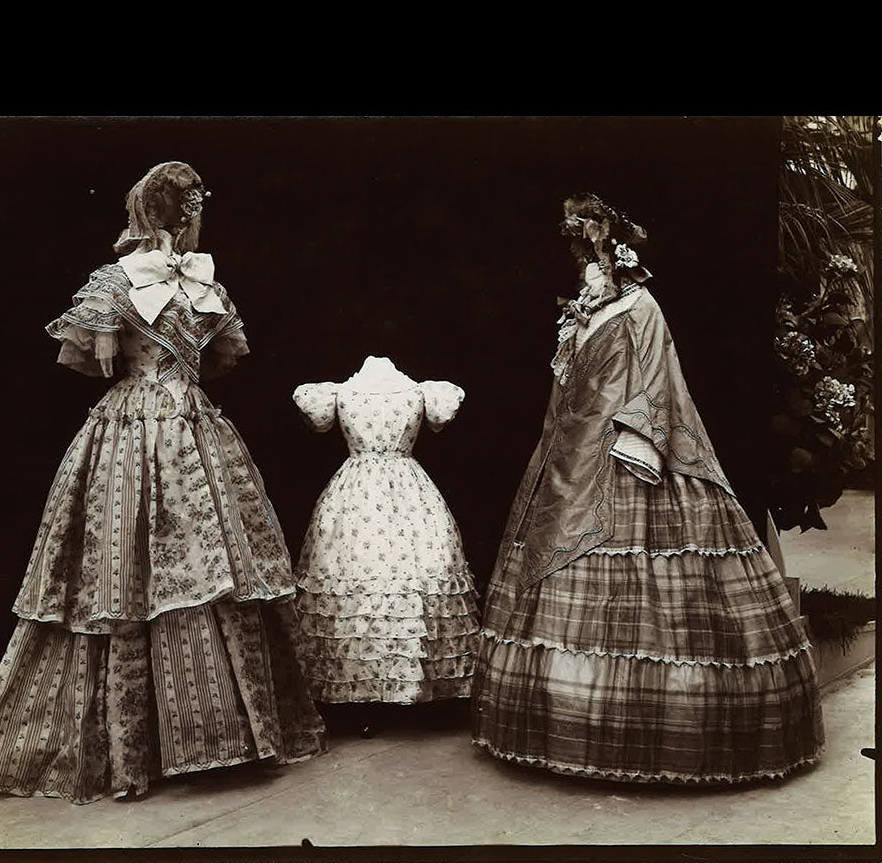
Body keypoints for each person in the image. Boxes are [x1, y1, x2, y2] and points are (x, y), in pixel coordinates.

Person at [0, 161, 326, 803]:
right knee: (130, 574)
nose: (191, 218)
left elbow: (201, 358)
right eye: (188, 208)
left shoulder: (199, 282)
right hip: (146, 429)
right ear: (173, 212)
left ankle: (213, 735)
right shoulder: (116, 283)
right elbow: (113, 360)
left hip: (169, 424)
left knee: (201, 573)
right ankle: (145, 746)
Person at [471, 193, 824, 784]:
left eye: (590, 250)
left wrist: (638, 440)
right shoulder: (582, 311)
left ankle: (656, 734)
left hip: (629, 452)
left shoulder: (642, 307)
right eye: (578, 251)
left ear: (614, 252)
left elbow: (659, 380)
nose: (583, 261)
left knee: (663, 595)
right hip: (570, 458)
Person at [292, 355, 480, 735]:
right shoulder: (340, 393)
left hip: (363, 489)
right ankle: (371, 693)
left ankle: (402, 691)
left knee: (394, 572)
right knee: (371, 573)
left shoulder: (421, 392)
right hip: (396, 490)